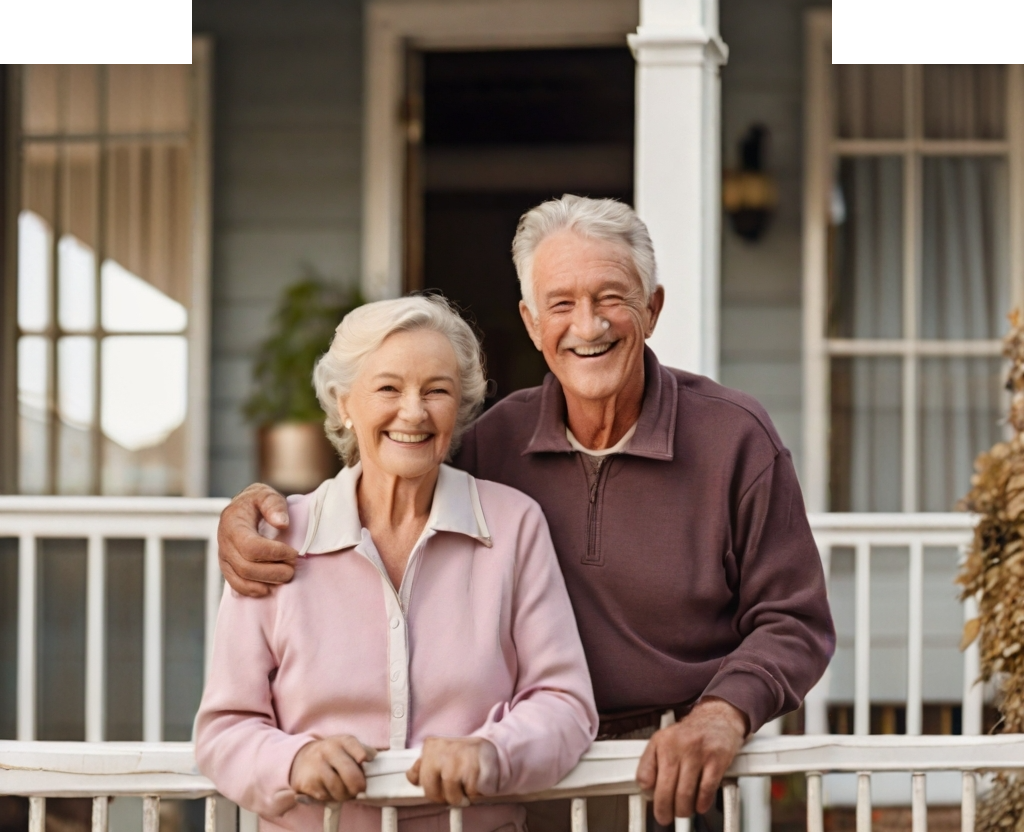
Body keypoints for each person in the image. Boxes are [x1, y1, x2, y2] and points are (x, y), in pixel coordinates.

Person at [217, 196, 835, 830]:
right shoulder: (492, 441)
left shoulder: (735, 438)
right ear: (532, 322)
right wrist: (253, 515)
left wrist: (722, 714)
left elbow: (794, 620)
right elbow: (389, 463)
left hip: (671, 775)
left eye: (612, 298)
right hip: (526, 789)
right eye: (561, 304)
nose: (587, 325)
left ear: (652, 310)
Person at [196, 295, 598, 832]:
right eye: (388, 388)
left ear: (460, 408)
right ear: (343, 403)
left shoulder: (513, 525)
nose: (414, 411)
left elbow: (565, 703)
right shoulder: (276, 536)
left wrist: (492, 753)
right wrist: (292, 762)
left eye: (437, 391)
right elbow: (225, 728)